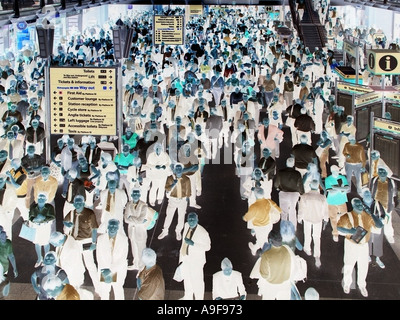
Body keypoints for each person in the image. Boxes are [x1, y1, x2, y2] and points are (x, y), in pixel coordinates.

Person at [337, 197, 383, 297]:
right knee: (349, 265)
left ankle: (362, 285)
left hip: (363, 246)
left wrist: (371, 213)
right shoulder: (346, 216)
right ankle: (347, 283)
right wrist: (349, 231)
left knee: (363, 266)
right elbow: (338, 227)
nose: (360, 206)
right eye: (357, 204)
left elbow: (379, 225)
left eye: (360, 204)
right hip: (351, 245)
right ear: (353, 205)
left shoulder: (367, 216)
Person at [63, 194, 100, 295]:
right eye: (76, 202)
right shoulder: (70, 213)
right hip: (75, 243)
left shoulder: (89, 213)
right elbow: (65, 228)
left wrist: (93, 242)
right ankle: (77, 285)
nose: (78, 204)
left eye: (80, 202)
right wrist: (67, 226)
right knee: (76, 265)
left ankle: (98, 287)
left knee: (90, 265)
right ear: (74, 203)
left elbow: (94, 229)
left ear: (83, 203)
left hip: (86, 241)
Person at [249, 229, 297, 300]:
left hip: (270, 285)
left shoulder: (266, 255)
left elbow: (264, 274)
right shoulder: (287, 249)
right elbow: (294, 266)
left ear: (270, 241)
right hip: (285, 285)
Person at [178, 212, 211, 300]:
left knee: (197, 281)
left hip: (196, 261)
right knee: (187, 279)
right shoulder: (186, 226)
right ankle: (188, 297)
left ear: (197, 220)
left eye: (193, 219)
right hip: (186, 258)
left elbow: (208, 247)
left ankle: (199, 298)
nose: (191, 221)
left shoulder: (203, 233)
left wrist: (193, 244)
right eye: (189, 219)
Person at [124, 187, 158, 271]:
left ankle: (141, 268)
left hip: (140, 232)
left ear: (139, 195)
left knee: (141, 250)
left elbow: (140, 220)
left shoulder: (144, 205)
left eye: (137, 193)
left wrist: (131, 217)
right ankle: (135, 264)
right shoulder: (128, 204)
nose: (135, 195)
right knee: (134, 249)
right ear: (131, 195)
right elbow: (125, 219)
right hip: (131, 231)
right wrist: (135, 219)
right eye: (134, 193)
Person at [298, 179, 329, 268]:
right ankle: (317, 255)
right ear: (318, 187)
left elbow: (301, 209)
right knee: (316, 237)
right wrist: (326, 219)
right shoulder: (322, 198)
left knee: (307, 234)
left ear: (310, 186)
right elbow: (325, 211)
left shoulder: (304, 196)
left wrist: (299, 218)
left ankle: (307, 249)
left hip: (307, 219)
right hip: (318, 219)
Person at [96, 218, 129, 300]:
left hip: (118, 270)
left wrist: (110, 270)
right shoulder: (100, 239)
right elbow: (99, 257)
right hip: (104, 270)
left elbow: (123, 258)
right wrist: (106, 272)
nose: (113, 228)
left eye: (115, 226)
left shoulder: (124, 239)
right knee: (105, 292)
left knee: (118, 291)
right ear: (108, 227)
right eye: (111, 225)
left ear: (118, 227)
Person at [243, 187, 281, 256]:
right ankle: (258, 248)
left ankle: (256, 251)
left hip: (259, 226)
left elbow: (247, 217)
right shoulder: (268, 201)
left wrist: (244, 217)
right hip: (268, 225)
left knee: (260, 241)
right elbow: (278, 210)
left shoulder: (254, 206)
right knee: (266, 238)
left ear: (255, 195)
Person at [158, 163, 191, 241]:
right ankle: (165, 231)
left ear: (182, 169)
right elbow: (167, 189)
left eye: (180, 168)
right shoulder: (170, 178)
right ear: (174, 170)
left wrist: (186, 201)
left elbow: (188, 192)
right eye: (177, 168)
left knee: (181, 216)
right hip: (172, 200)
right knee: (169, 215)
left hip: (182, 200)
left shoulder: (186, 179)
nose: (178, 169)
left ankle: (178, 231)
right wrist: (173, 184)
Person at [274, 157, 305, 231]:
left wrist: (277, 188)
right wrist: (302, 193)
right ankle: (293, 229)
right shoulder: (297, 173)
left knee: (283, 212)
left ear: (286, 163)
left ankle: (283, 229)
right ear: (293, 164)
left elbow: (276, 184)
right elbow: (300, 184)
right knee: (292, 211)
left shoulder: (281, 172)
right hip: (294, 194)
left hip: (283, 194)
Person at [370, 165, 397, 244]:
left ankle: (389, 235)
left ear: (386, 173)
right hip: (377, 206)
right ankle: (375, 236)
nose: (382, 173)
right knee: (376, 220)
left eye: (383, 171)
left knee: (388, 221)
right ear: (378, 172)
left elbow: (394, 194)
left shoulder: (392, 182)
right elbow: (371, 190)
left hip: (387, 205)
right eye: (380, 171)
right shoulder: (374, 180)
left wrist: (392, 204)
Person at [360, 187, 386, 269]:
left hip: (376, 225)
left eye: (368, 193)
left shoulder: (377, 203)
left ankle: (378, 258)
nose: (367, 195)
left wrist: (381, 218)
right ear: (362, 196)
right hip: (366, 225)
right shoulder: (361, 204)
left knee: (378, 241)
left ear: (371, 194)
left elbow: (383, 213)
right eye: (365, 194)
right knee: (367, 240)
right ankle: (368, 255)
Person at [28, 192, 56, 268]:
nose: (41, 199)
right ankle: (39, 258)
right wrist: (36, 219)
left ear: (46, 199)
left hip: (45, 227)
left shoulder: (49, 207)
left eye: (43, 198)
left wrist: (43, 218)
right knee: (37, 243)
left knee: (46, 243)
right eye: (39, 197)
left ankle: (46, 259)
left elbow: (52, 217)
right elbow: (30, 217)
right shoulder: (33, 207)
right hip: (36, 227)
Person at [325, 164, 350, 242]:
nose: (339, 171)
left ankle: (346, 232)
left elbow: (347, 188)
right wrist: (341, 188)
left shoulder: (342, 177)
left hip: (342, 200)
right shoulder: (328, 179)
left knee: (345, 217)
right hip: (332, 202)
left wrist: (335, 187)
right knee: (333, 218)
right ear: (333, 171)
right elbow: (331, 192)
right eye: (337, 170)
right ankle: (335, 233)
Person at [21, 144, 46, 209]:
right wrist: (35, 168)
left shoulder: (39, 157)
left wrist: (31, 169)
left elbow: (41, 167)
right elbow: (26, 169)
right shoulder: (24, 159)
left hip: (38, 177)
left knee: (39, 192)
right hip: (28, 178)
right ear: (27, 150)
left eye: (32, 149)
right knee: (28, 193)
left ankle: (38, 207)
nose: (31, 150)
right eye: (30, 149)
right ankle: (27, 208)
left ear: (34, 150)